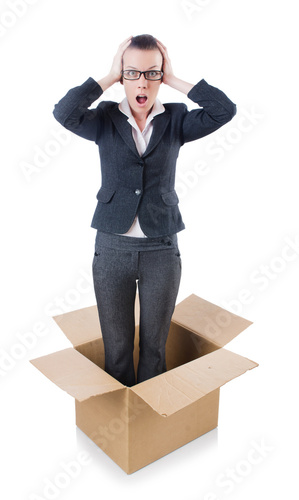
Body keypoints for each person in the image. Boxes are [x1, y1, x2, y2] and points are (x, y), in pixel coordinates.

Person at [53, 34, 236, 387]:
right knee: (117, 349)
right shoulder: (104, 119)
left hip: (161, 248)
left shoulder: (177, 119)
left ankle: (151, 422)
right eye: (132, 73)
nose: (142, 82)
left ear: (160, 76)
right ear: (122, 76)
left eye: (151, 73)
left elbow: (223, 110)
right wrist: (107, 76)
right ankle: (119, 426)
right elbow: (64, 113)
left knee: (154, 348)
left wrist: (173, 78)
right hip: (112, 248)